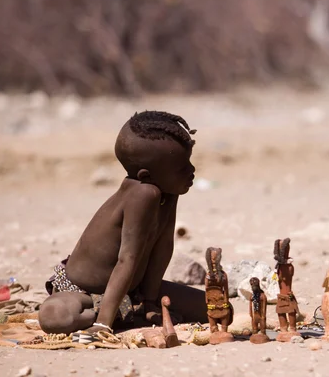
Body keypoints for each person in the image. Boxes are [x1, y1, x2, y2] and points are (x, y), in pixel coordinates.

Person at [39, 111, 207, 334]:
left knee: (217, 307)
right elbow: (127, 258)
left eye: (188, 162)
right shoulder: (142, 194)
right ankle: (107, 314)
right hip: (80, 291)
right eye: (181, 167)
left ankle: (127, 311)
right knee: (55, 318)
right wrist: (103, 324)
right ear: (146, 175)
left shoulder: (168, 191)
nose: (192, 170)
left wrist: (149, 303)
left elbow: (163, 246)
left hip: (131, 291)